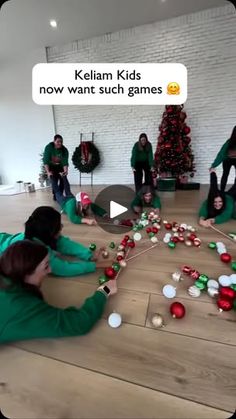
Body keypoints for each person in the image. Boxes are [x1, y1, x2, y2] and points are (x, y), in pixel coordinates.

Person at [0, 240, 117, 343]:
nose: (50, 269)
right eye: (46, 266)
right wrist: (104, 291)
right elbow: (78, 323)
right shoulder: (20, 306)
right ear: (25, 274)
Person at [0, 206, 112, 277]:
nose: (62, 226)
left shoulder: (38, 234)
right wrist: (95, 265)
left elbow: (64, 243)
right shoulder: (37, 253)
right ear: (49, 233)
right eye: (59, 226)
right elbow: (63, 268)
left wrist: (88, 255)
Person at [43, 134, 72, 200]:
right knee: (54, 180)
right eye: (58, 141)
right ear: (54, 141)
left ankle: (60, 195)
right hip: (52, 167)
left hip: (60, 167)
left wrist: (65, 171)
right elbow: (46, 160)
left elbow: (65, 162)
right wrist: (48, 172)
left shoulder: (64, 150)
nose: (60, 143)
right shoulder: (49, 148)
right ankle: (56, 194)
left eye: (61, 142)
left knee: (63, 180)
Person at [210, 126, 236, 191]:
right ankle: (223, 191)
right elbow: (221, 154)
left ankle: (223, 191)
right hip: (227, 160)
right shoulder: (229, 142)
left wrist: (213, 165)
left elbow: (221, 154)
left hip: (227, 160)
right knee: (225, 175)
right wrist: (214, 165)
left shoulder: (229, 142)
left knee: (225, 175)